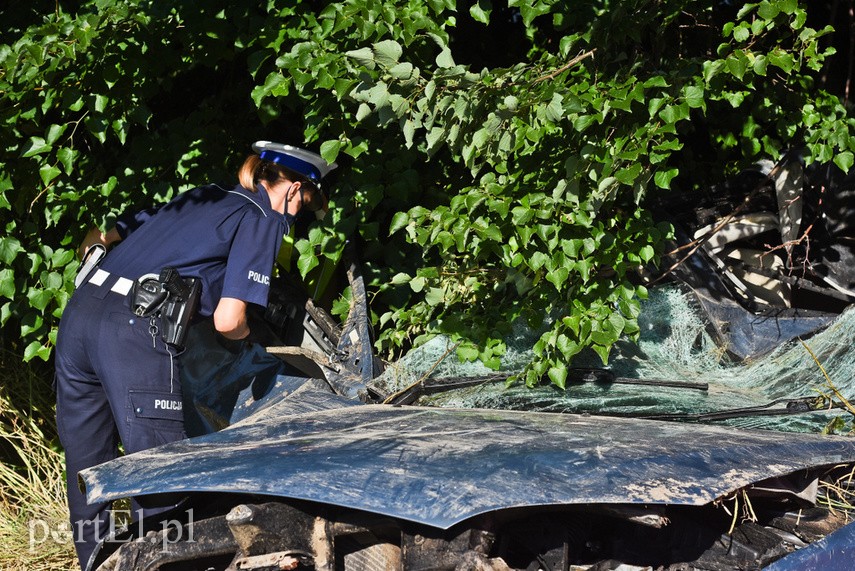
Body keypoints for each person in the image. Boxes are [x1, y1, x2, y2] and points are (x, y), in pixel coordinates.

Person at [54, 141, 336, 569]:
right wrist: (250, 343)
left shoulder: (201, 195)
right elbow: (228, 320)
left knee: (88, 473)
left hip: (77, 319)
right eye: (306, 204)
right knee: (165, 475)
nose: (297, 217)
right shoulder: (262, 215)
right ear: (294, 190)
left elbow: (99, 236)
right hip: (133, 332)